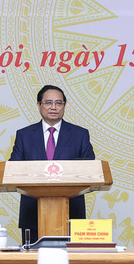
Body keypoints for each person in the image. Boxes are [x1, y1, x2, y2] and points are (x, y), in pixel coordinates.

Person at [9, 85, 95, 242]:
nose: (53, 107)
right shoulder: (24, 135)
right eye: (48, 102)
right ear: (39, 104)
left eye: (59, 103)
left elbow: (91, 173)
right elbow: (13, 172)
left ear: (64, 106)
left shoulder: (80, 134)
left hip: (71, 215)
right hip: (33, 215)